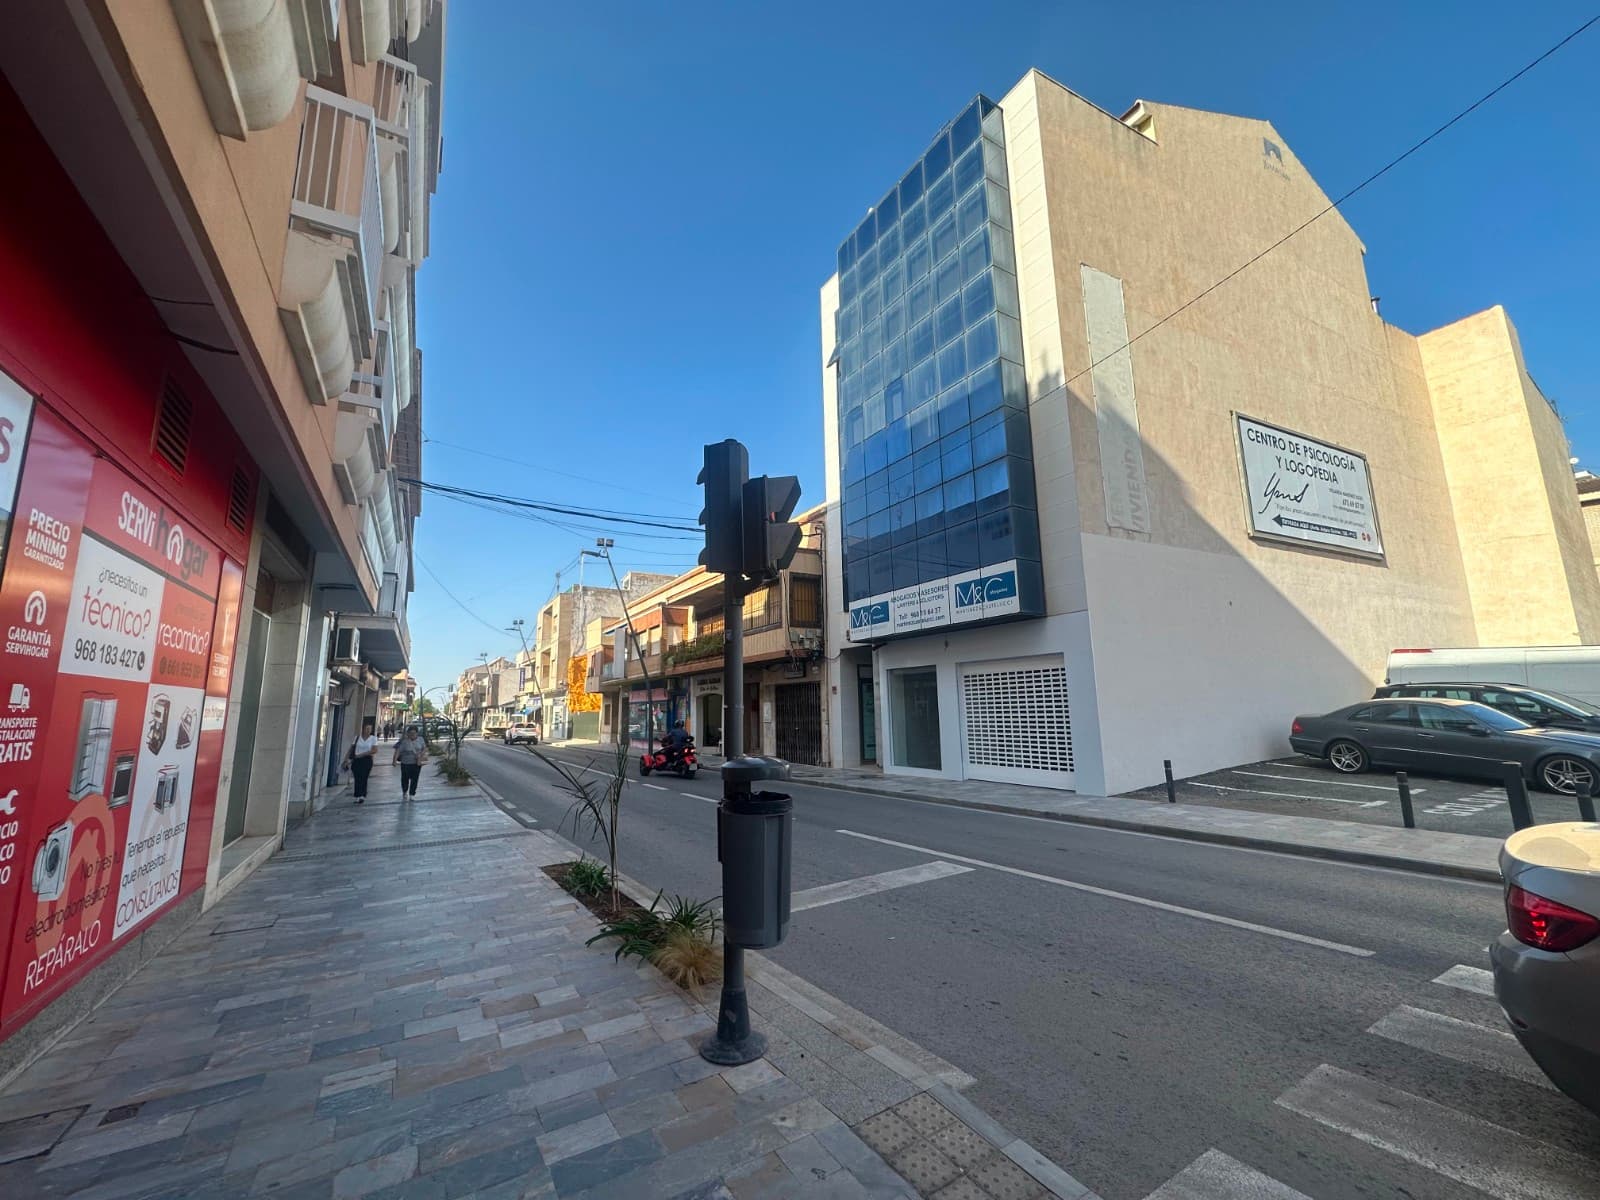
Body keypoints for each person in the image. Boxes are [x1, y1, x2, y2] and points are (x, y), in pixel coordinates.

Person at [344, 718, 378, 804]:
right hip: (356, 760)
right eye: (367, 728)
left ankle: (362, 795)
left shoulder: (373, 738)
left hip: (366, 760)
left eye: (370, 729)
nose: (368, 730)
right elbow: (351, 749)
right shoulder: (357, 738)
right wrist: (346, 759)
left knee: (364, 777)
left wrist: (363, 754)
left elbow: (374, 750)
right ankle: (357, 795)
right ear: (363, 729)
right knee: (357, 777)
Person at [393, 724, 426, 799]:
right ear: (408, 733)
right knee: (405, 778)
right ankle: (405, 791)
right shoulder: (404, 741)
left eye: (414, 733)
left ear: (417, 733)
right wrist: (394, 760)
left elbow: (424, 748)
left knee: (415, 778)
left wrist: (421, 754)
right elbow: (398, 751)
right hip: (405, 763)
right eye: (410, 733)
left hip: (417, 762)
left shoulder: (421, 739)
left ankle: (412, 794)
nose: (412, 735)